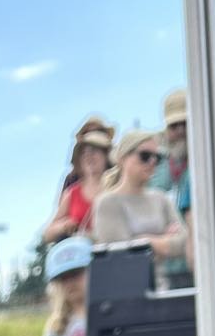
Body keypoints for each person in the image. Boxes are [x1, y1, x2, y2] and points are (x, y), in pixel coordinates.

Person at [90, 129, 187, 290]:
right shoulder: (107, 203)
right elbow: (122, 257)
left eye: (158, 157)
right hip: (127, 294)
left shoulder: (161, 198)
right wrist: (163, 239)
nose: (152, 162)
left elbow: (185, 243)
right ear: (122, 159)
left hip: (164, 289)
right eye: (145, 156)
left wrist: (144, 240)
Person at [148, 89, 193, 286]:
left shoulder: (210, 166)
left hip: (199, 265)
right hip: (164, 271)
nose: (181, 131)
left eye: (186, 124)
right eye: (175, 126)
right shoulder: (154, 171)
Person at [42, 121, 114, 244]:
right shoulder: (72, 192)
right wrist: (64, 226)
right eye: (84, 153)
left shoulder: (117, 185)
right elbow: (47, 234)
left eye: (94, 151)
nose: (89, 156)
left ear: (106, 155)